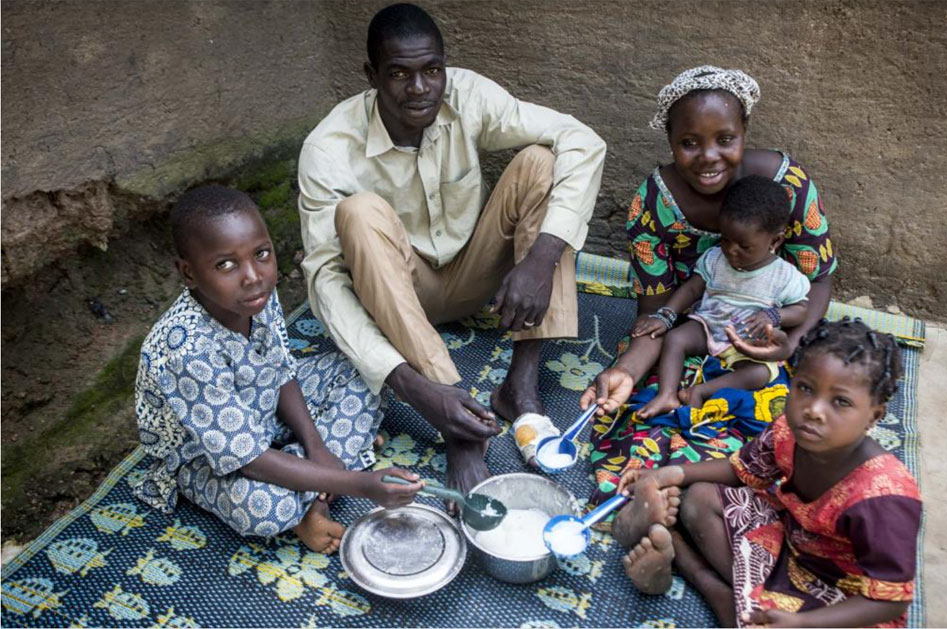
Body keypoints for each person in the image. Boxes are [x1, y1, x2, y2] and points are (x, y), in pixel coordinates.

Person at [297, 3, 606, 499]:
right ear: (371, 75)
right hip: (395, 299)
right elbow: (325, 284)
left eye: (431, 71)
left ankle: (520, 388)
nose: (419, 89)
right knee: (358, 212)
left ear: (444, 67)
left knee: (541, 162)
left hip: (472, 277)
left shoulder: (467, 95)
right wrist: (412, 387)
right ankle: (458, 426)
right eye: (398, 74)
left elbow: (583, 140)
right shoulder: (329, 148)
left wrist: (542, 257)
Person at [581, 65, 837, 505]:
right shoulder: (653, 204)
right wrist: (626, 369)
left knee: (789, 423)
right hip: (696, 320)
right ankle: (658, 498)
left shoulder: (787, 184)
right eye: (688, 143)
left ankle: (709, 500)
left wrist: (787, 345)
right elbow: (657, 315)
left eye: (725, 139)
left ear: (745, 131)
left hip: (773, 330)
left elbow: (818, 278)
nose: (708, 157)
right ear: (670, 142)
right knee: (646, 411)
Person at [131, 185, 421, 554]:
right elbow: (247, 459)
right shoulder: (185, 351)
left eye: (261, 254)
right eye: (226, 264)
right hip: (203, 456)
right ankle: (315, 495)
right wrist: (359, 483)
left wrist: (317, 446)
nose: (253, 275)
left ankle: (316, 469)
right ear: (188, 273)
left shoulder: (254, 294)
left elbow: (281, 371)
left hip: (260, 408)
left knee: (367, 368)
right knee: (265, 509)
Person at [615, 319, 921, 629]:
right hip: (789, 543)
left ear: (874, 415)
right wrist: (672, 473)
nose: (814, 409)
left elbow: (889, 600)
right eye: (804, 388)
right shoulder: (789, 430)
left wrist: (802, 624)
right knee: (699, 499)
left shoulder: (885, 496)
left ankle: (706, 580)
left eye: (840, 401)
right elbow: (739, 470)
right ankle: (682, 554)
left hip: (841, 600)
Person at [631, 175, 810, 417]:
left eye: (744, 246)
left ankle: (702, 391)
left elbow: (801, 310)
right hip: (707, 324)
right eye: (725, 239)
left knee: (762, 373)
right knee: (674, 340)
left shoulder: (785, 276)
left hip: (748, 340)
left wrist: (774, 315)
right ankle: (667, 394)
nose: (731, 250)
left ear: (775, 240)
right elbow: (692, 289)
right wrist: (666, 315)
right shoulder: (715, 258)